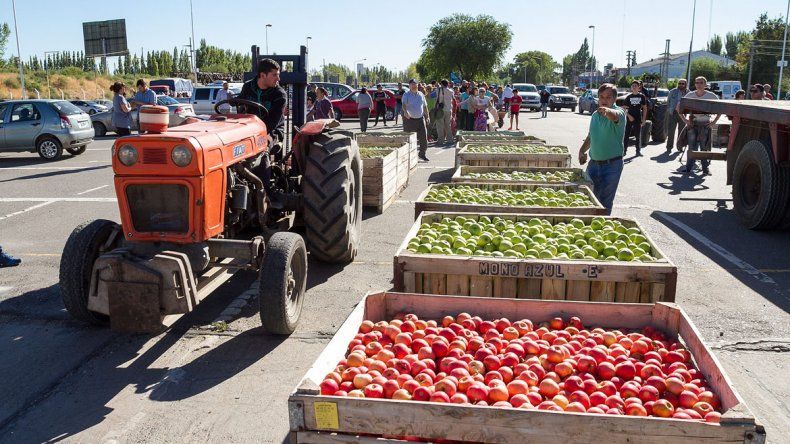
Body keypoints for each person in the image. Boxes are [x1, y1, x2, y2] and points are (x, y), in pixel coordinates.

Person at [578, 83, 626, 214]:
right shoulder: (595, 115)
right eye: (602, 97)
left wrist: (607, 111)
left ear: (614, 99)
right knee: (587, 199)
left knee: (604, 203)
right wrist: (582, 150)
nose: (604, 100)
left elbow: (614, 115)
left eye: (608, 97)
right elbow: (590, 136)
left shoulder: (620, 113)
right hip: (593, 164)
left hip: (611, 166)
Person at [238, 58, 287, 144]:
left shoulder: (279, 94)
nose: (278, 79)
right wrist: (231, 101)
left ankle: (265, 155)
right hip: (251, 127)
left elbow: (272, 121)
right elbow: (240, 100)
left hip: (273, 130)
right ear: (263, 75)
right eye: (274, 75)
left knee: (262, 142)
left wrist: (256, 134)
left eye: (278, 75)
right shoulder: (248, 87)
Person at [678, 76, 720, 175]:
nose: (698, 84)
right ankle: (688, 168)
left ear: (705, 84)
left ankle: (705, 169)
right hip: (693, 124)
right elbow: (678, 107)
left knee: (704, 147)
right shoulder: (690, 95)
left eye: (701, 83)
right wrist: (685, 120)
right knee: (692, 147)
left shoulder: (711, 96)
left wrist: (713, 123)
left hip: (705, 124)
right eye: (697, 82)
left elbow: (720, 109)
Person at [402, 79, 430, 161]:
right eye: (412, 84)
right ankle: (407, 156)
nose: (414, 86)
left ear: (417, 85)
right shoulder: (406, 94)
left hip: (421, 119)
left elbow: (425, 107)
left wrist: (427, 117)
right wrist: (405, 111)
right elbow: (403, 104)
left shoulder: (421, 94)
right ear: (409, 86)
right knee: (408, 139)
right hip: (409, 120)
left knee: (424, 139)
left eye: (415, 84)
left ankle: (422, 154)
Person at [622, 80, 648, 156]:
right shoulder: (628, 97)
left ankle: (638, 151)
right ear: (631, 87)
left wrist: (643, 119)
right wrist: (629, 116)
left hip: (638, 117)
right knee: (626, 134)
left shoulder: (642, 96)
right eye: (632, 86)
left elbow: (645, 108)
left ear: (638, 87)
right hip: (630, 116)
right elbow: (624, 108)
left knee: (638, 135)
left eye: (635, 86)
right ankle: (624, 151)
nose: (634, 87)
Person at [665, 79, 688, 152]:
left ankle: (680, 147)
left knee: (681, 132)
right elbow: (668, 102)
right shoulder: (672, 91)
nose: (681, 85)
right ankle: (669, 147)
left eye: (682, 83)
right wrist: (669, 110)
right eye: (679, 83)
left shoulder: (688, 92)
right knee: (671, 131)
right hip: (673, 113)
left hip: (683, 114)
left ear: (685, 84)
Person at [433, 79, 454, 145]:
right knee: (448, 125)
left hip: (440, 110)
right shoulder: (451, 91)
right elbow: (453, 99)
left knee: (440, 125)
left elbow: (431, 95)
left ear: (442, 84)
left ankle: (440, 140)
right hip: (449, 109)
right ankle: (450, 140)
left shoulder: (438, 90)